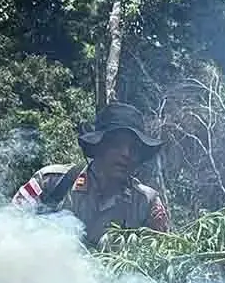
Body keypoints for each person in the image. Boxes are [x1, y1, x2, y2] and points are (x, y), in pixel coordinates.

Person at [12, 102, 171, 246]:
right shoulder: (51, 182)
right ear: (99, 146)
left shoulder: (146, 203)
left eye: (133, 149)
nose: (126, 154)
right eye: (117, 144)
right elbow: (9, 227)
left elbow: (158, 258)